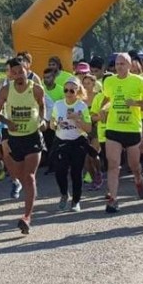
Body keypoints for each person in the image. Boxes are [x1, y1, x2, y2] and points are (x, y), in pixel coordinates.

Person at [0, 58, 48, 234]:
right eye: (14, 72)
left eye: (21, 72)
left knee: (30, 176)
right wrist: (7, 122)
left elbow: (42, 107)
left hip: (32, 136)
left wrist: (42, 120)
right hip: (14, 138)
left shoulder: (36, 89)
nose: (18, 75)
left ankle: (27, 217)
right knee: (19, 176)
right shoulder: (5, 90)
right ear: (10, 74)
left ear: (27, 70)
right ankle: (25, 195)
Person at [98, 53, 143, 213]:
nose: (119, 67)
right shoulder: (109, 81)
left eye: (122, 64)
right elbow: (108, 98)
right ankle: (113, 199)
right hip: (113, 127)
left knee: (134, 165)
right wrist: (103, 109)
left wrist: (136, 103)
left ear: (130, 65)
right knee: (113, 165)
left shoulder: (139, 81)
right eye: (117, 64)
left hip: (132, 128)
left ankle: (138, 179)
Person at [51, 77, 93, 212]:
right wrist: (56, 124)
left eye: (72, 91)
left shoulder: (82, 106)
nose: (68, 93)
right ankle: (64, 194)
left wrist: (77, 119)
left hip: (77, 142)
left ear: (78, 91)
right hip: (61, 141)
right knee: (60, 172)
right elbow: (52, 122)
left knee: (76, 172)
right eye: (66, 90)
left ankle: (76, 201)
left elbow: (88, 128)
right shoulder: (58, 104)